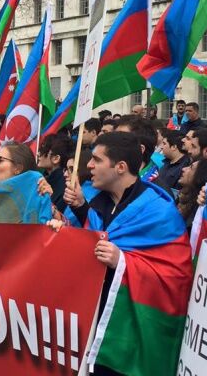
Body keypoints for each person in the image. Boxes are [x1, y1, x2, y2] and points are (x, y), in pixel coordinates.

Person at [51, 132, 193, 375]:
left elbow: (177, 278)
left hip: (130, 338)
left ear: (120, 167)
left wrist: (123, 262)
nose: (89, 165)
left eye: (97, 159)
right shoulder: (97, 205)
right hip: (94, 329)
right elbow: (92, 247)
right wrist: (66, 231)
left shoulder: (159, 212)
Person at [176, 158, 207, 229]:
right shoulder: (182, 197)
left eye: (191, 168)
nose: (183, 169)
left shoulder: (199, 210)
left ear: (201, 176)